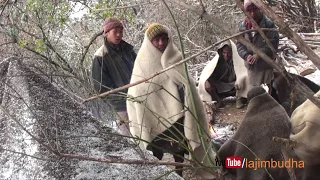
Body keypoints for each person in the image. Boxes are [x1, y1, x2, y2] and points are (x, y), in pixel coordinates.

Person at [126, 23, 215, 178]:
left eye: (164, 39)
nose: (161, 43)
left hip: (182, 114)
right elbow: (136, 92)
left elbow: (188, 85)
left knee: (181, 148)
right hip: (160, 121)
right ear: (149, 42)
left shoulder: (176, 57)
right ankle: (173, 173)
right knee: (171, 149)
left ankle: (181, 172)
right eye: (156, 40)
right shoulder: (142, 64)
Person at [91, 17, 136, 136]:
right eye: (115, 32)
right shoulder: (100, 56)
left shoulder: (129, 50)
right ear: (107, 33)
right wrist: (119, 99)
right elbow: (100, 87)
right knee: (131, 139)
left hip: (139, 98)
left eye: (120, 31)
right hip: (121, 107)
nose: (118, 35)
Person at [237, 0, 279, 91]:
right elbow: (240, 45)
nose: (252, 14)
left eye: (255, 10)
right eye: (249, 11)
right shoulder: (243, 27)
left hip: (266, 65)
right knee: (256, 90)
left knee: (270, 89)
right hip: (252, 68)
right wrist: (246, 56)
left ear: (260, 9)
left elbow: (273, 44)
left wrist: (259, 54)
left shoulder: (268, 24)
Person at [198, 40, 250, 109]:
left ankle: (240, 98)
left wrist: (239, 79)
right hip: (222, 85)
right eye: (224, 53)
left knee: (245, 79)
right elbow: (209, 74)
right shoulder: (217, 62)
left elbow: (244, 72)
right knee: (207, 84)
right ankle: (218, 101)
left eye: (228, 53)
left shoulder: (238, 60)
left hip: (235, 85)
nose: (226, 55)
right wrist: (207, 81)